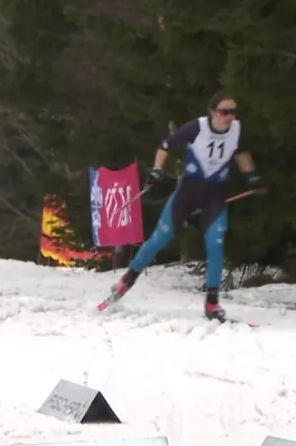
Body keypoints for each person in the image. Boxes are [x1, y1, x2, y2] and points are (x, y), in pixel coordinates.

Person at [104, 90, 266, 319]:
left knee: (215, 246)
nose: (229, 116)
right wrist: (158, 170)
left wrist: (252, 176)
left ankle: (211, 302)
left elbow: (241, 153)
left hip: (214, 198)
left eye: (233, 111)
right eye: (224, 111)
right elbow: (165, 145)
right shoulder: (197, 128)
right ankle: (127, 279)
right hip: (186, 196)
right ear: (212, 112)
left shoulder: (236, 131)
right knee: (158, 240)